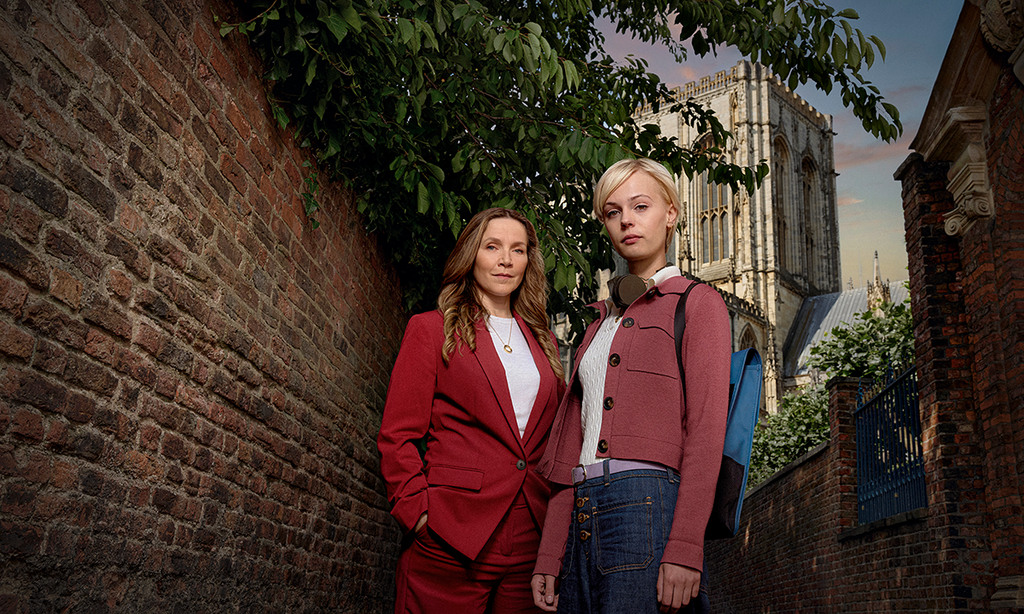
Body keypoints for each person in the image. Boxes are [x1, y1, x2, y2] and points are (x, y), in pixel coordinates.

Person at [530, 159, 730, 613]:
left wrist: (685, 547)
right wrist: (550, 554)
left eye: (641, 206)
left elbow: (705, 433)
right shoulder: (597, 322)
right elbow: (573, 445)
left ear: (671, 213)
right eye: (613, 211)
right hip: (580, 515)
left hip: (646, 508)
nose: (626, 221)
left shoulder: (698, 303)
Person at [378, 207, 566, 613]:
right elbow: (398, 435)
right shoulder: (431, 329)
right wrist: (418, 514)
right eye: (492, 247)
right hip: (451, 534)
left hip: (529, 541)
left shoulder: (545, 342)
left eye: (518, 250)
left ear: (528, 262)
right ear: (471, 255)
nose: (505, 260)